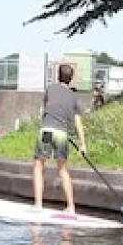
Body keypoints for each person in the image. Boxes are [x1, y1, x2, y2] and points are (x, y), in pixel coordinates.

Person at [32, 62, 89, 213]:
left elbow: (44, 111)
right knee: (63, 169)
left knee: (39, 166)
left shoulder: (50, 89)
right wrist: (82, 145)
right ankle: (71, 207)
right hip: (62, 135)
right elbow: (78, 121)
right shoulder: (73, 97)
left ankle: (38, 205)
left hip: (47, 132)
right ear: (71, 79)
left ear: (58, 76)